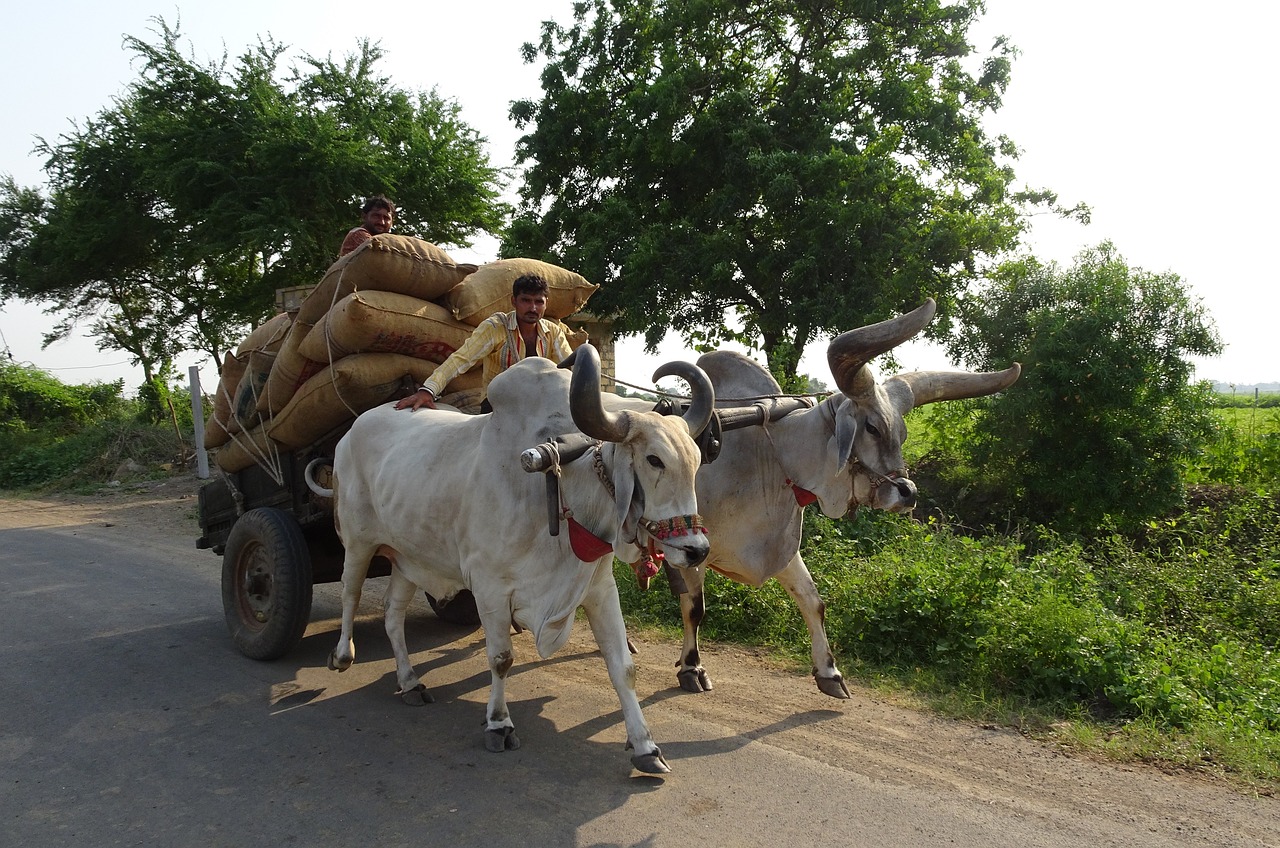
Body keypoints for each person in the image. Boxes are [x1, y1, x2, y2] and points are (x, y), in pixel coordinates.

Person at [395, 273, 574, 411]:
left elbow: (569, 369)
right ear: (514, 301)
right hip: (498, 405)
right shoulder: (496, 327)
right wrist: (428, 390)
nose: (533, 308)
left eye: (538, 302)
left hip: (538, 406)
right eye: (526, 301)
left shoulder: (553, 332)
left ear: (546, 304)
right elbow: (461, 359)